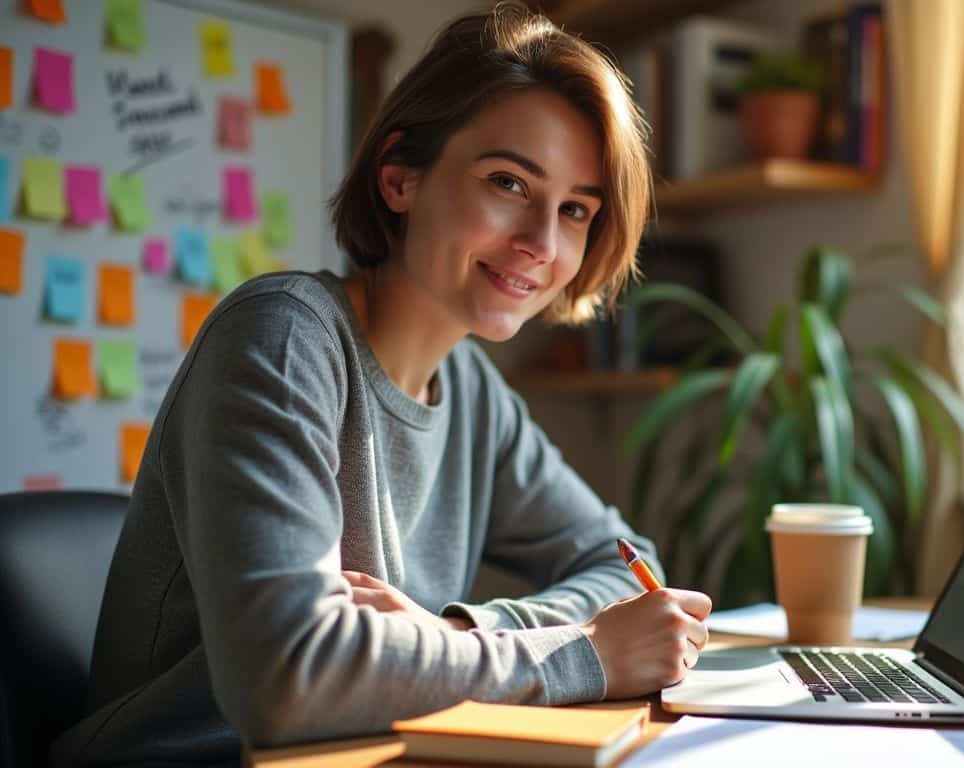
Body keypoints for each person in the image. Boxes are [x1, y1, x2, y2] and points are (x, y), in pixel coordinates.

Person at [52, 3, 711, 764]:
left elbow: (630, 567)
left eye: (575, 210)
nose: (541, 242)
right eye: (508, 182)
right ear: (400, 178)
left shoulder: (473, 392)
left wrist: (464, 633)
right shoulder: (282, 336)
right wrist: (586, 655)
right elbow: (289, 678)